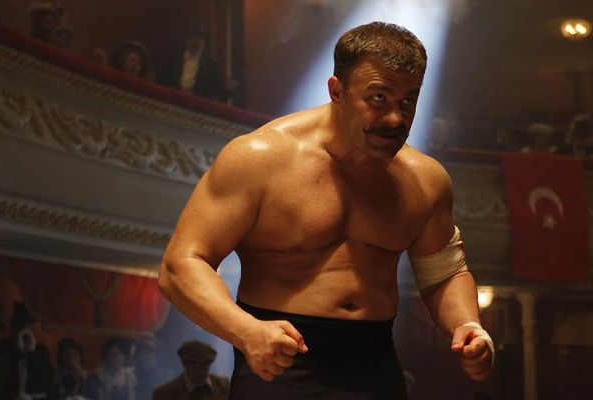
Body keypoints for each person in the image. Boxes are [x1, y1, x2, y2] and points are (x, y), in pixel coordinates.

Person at [159, 21, 494, 399]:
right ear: (337, 91)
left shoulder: (426, 179)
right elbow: (180, 265)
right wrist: (246, 330)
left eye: (408, 101)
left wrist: (468, 324)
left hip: (376, 367)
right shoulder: (259, 159)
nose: (396, 119)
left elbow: (444, 272)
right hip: (280, 364)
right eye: (378, 98)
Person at [0, 302, 53, 399]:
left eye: (28, 325)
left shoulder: (40, 350)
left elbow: (46, 380)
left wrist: (29, 352)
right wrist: (18, 351)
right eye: (21, 324)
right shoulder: (4, 347)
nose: (25, 328)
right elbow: (2, 378)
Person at [152, 340, 229, 400]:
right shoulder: (164, 394)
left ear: (210, 363)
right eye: (193, 365)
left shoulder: (224, 386)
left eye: (204, 365)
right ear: (184, 364)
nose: (198, 370)